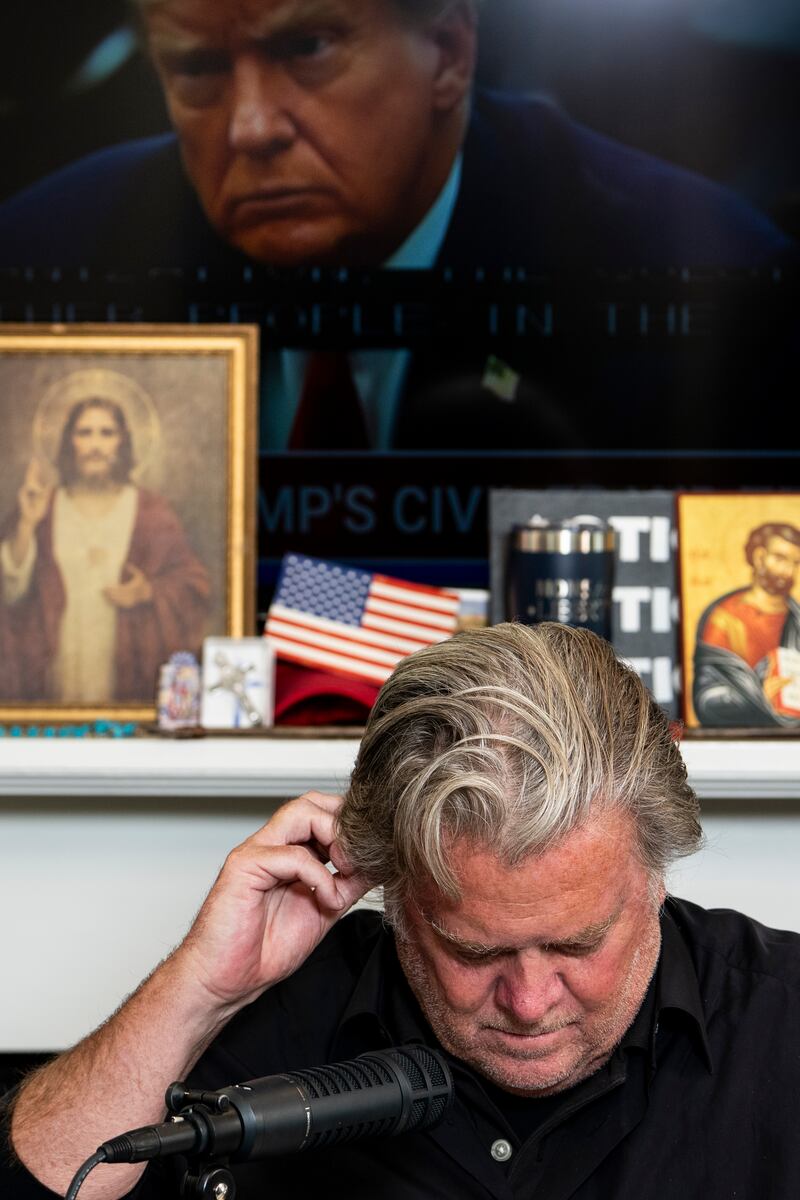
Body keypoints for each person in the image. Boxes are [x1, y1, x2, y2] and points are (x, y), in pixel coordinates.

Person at [4, 621, 800, 1198]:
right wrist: (200, 990)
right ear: (389, 893)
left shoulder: (781, 1021)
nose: (528, 1003)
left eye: (576, 944)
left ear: (654, 878)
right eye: (474, 952)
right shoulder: (280, 1014)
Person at [0, 1, 794, 451]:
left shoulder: (702, 291)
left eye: (306, 48)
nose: (249, 127)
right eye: (199, 70)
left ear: (448, 53)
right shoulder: (41, 269)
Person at [0, 396, 211, 705]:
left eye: (106, 433)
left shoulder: (151, 512)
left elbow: (193, 585)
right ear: (69, 441)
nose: (95, 445)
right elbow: (12, 593)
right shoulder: (43, 506)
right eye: (84, 433)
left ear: (121, 441)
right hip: (55, 673)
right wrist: (27, 526)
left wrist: (148, 593)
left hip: (127, 670)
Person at [693, 521, 800, 727]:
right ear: (760, 557)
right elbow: (707, 700)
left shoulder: (796, 619)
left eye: (795, 563)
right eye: (780, 558)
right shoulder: (725, 619)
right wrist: (759, 696)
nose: (788, 570)